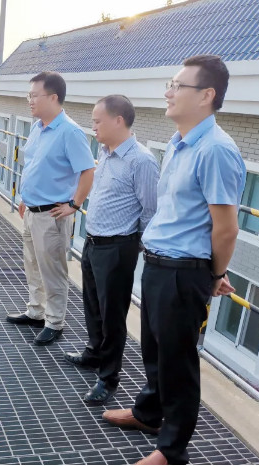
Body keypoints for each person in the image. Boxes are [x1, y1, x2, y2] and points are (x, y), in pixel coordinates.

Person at [102, 55, 246, 465]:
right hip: (159, 264)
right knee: (155, 350)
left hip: (185, 273)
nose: (168, 92)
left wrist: (215, 274)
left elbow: (226, 229)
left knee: (178, 363)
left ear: (206, 95)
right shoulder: (181, 144)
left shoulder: (216, 150)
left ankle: (172, 449)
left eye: (177, 86)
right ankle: (149, 413)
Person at [63, 95, 159, 404]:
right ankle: (94, 353)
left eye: (97, 121)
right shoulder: (105, 153)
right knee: (92, 306)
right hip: (93, 242)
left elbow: (151, 211)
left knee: (113, 315)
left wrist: (133, 246)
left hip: (118, 247)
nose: (93, 127)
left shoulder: (142, 161)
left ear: (119, 121)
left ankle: (108, 378)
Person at [6, 71, 95, 346]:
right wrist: (25, 197)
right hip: (31, 210)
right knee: (33, 265)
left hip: (51, 215)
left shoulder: (70, 132)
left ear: (53, 97)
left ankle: (54, 322)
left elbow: (88, 171)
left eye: (35, 95)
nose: (30, 100)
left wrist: (75, 204)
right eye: (29, 95)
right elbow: (34, 165)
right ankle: (36, 311)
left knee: (53, 271)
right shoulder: (38, 127)